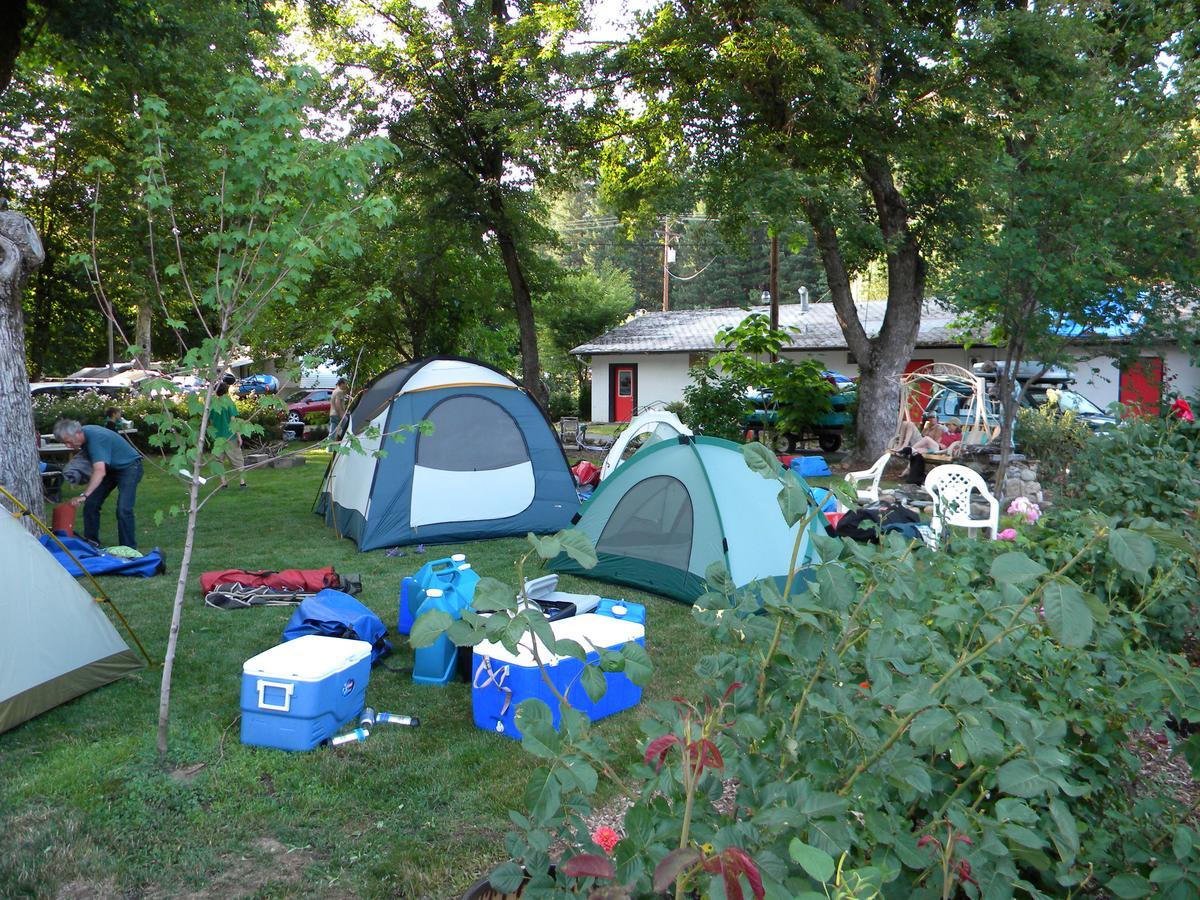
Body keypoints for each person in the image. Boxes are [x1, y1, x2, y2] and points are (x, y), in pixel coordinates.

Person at [53, 418, 143, 548]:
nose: (68, 446)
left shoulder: (96, 439)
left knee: (124, 509)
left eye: (68, 442)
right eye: (64, 443)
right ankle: (92, 543)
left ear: (78, 433)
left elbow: (99, 471)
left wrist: (84, 495)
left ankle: (128, 548)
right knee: (91, 504)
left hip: (130, 467)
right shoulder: (85, 436)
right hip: (110, 469)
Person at [209, 381, 247, 489]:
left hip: (217, 437)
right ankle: (242, 482)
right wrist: (239, 436)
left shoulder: (213, 404)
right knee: (237, 460)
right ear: (226, 391)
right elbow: (233, 420)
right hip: (230, 436)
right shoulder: (229, 403)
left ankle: (223, 483)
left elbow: (211, 421)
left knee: (218, 461)